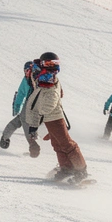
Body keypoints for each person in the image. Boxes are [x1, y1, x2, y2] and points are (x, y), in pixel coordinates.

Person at [22, 52, 88, 183]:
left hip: (55, 117)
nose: (51, 67)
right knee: (57, 144)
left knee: (67, 144)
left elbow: (50, 102)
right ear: (42, 64)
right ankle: (67, 168)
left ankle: (81, 170)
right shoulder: (41, 77)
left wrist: (39, 115)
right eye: (48, 64)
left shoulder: (51, 80)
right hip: (47, 118)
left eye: (54, 64)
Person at [0, 58, 41, 156]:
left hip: (35, 103)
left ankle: (33, 144)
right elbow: (21, 94)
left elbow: (22, 94)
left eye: (27, 70)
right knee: (20, 120)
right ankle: (5, 138)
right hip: (30, 104)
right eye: (25, 71)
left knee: (24, 120)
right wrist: (17, 108)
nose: (26, 73)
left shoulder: (35, 77)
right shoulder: (26, 79)